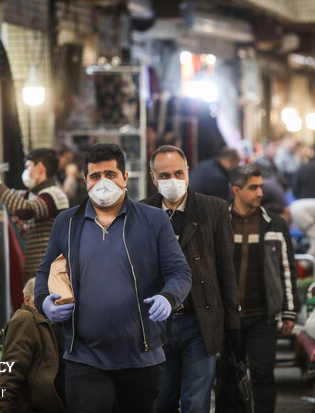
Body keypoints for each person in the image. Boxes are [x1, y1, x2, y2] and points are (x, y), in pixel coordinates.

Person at [33, 143, 192, 413]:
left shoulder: (154, 220)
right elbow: (44, 271)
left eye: (111, 174)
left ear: (125, 178)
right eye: (95, 176)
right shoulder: (66, 222)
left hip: (142, 358)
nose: (103, 182)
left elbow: (180, 272)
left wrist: (169, 297)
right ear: (85, 181)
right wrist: (43, 302)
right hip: (85, 358)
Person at [143, 145, 238, 413]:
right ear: (153, 178)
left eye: (177, 173)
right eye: (164, 176)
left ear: (188, 173)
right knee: (161, 401)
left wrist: (232, 326)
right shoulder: (142, 213)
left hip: (200, 321)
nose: (172, 181)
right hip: (156, 324)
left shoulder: (214, 209)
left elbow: (226, 270)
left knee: (196, 403)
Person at [219, 164, 298, 413]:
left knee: (263, 377)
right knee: (228, 380)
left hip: (262, 316)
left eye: (261, 186)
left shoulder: (274, 225)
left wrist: (289, 311)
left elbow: (287, 269)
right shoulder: (219, 223)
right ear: (236, 190)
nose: (260, 193)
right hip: (227, 318)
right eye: (253, 188)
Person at [0, 148, 69, 282]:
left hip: (50, 271)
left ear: (40, 167)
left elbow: (25, 210)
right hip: (34, 271)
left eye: (28, 166)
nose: (25, 172)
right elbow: (10, 197)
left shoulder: (55, 195)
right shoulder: (33, 195)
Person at [0, 279, 66, 413]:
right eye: (41, 297)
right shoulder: (25, 318)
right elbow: (12, 372)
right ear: (27, 300)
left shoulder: (54, 321)